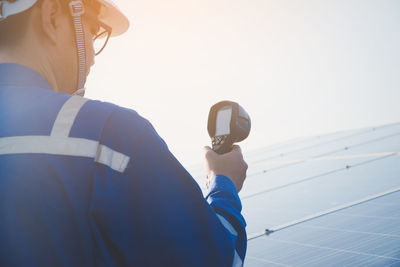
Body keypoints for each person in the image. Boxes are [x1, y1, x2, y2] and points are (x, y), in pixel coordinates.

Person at [0, 0, 248, 266]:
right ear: (51, 16)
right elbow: (217, 259)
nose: (93, 57)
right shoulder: (109, 135)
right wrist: (224, 183)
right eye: (93, 31)